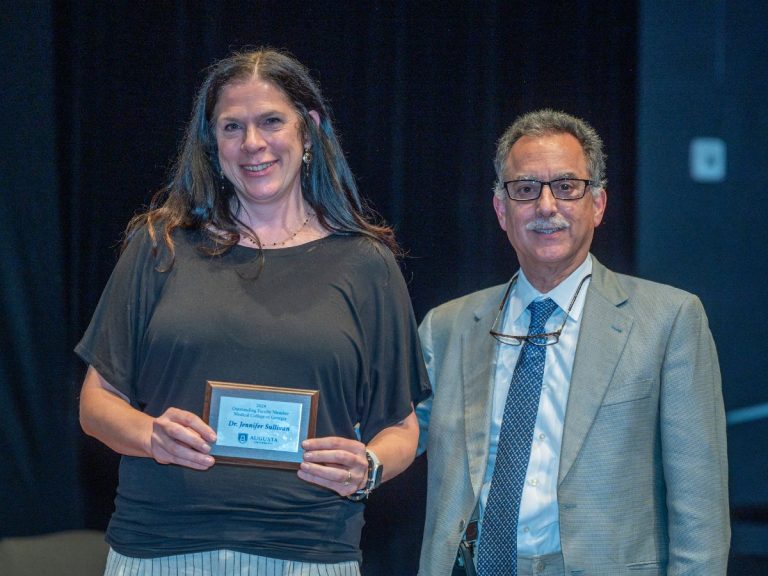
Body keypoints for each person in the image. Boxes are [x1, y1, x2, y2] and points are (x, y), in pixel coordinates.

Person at [77, 48, 430, 576]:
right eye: (232, 127)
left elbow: (401, 426)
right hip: (159, 548)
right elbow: (95, 406)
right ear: (212, 143)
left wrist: (370, 467)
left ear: (308, 131)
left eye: (271, 122)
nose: (253, 144)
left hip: (309, 552)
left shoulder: (366, 264)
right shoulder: (159, 247)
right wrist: (151, 435)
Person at [416, 109, 730, 575]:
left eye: (566, 187)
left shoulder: (669, 321)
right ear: (502, 210)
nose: (546, 207)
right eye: (526, 190)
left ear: (598, 204)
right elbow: (394, 432)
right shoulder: (447, 327)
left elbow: (699, 510)